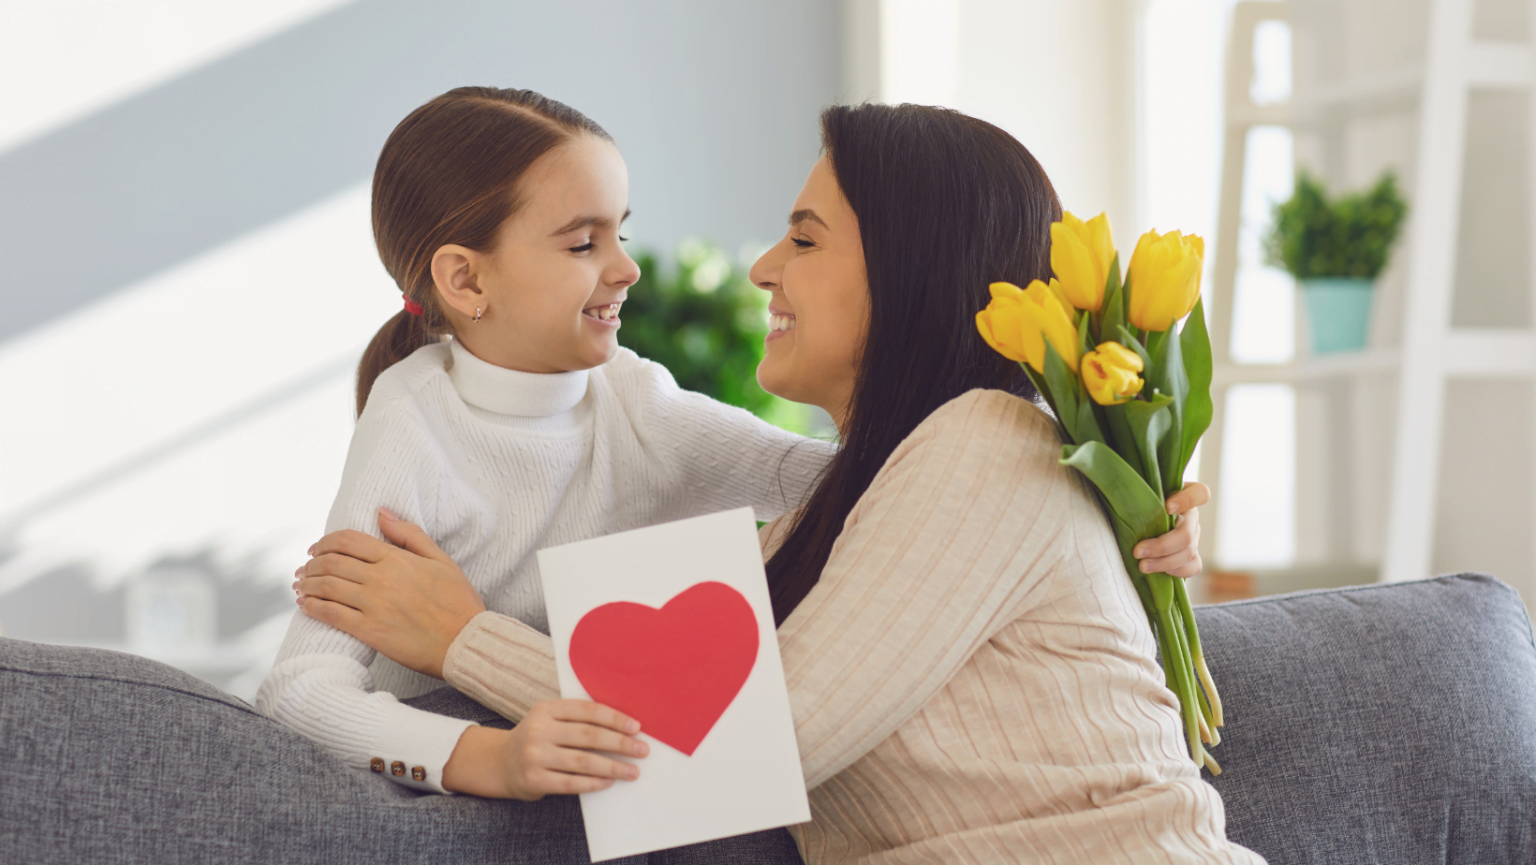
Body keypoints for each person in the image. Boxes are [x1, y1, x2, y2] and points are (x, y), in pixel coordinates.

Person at [295, 102, 1256, 864]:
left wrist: (464, 638)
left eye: (804, 239)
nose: (761, 268)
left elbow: (759, 743)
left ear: (910, 269)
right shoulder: (859, 509)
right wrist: (1121, 500)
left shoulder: (989, 441)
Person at [255, 86, 841, 798]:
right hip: (454, 813)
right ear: (465, 279)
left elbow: (862, 482)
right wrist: (491, 758)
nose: (627, 269)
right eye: (584, 243)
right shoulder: (411, 419)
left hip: (636, 794)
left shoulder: (639, 401)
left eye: (621, 235)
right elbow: (297, 691)